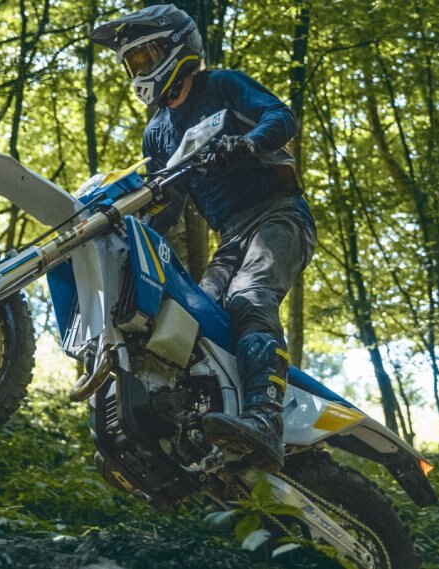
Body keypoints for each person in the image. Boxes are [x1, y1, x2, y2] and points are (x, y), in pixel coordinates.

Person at [91, 4, 316, 471]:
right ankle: (198, 427)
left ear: (178, 47)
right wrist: (129, 235)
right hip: (229, 238)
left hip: (279, 215)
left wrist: (248, 143)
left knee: (249, 297)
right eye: (132, 62)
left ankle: (265, 419)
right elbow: (169, 205)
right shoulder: (156, 134)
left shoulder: (223, 86)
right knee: (194, 319)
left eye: (146, 55)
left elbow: (281, 116)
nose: (140, 69)